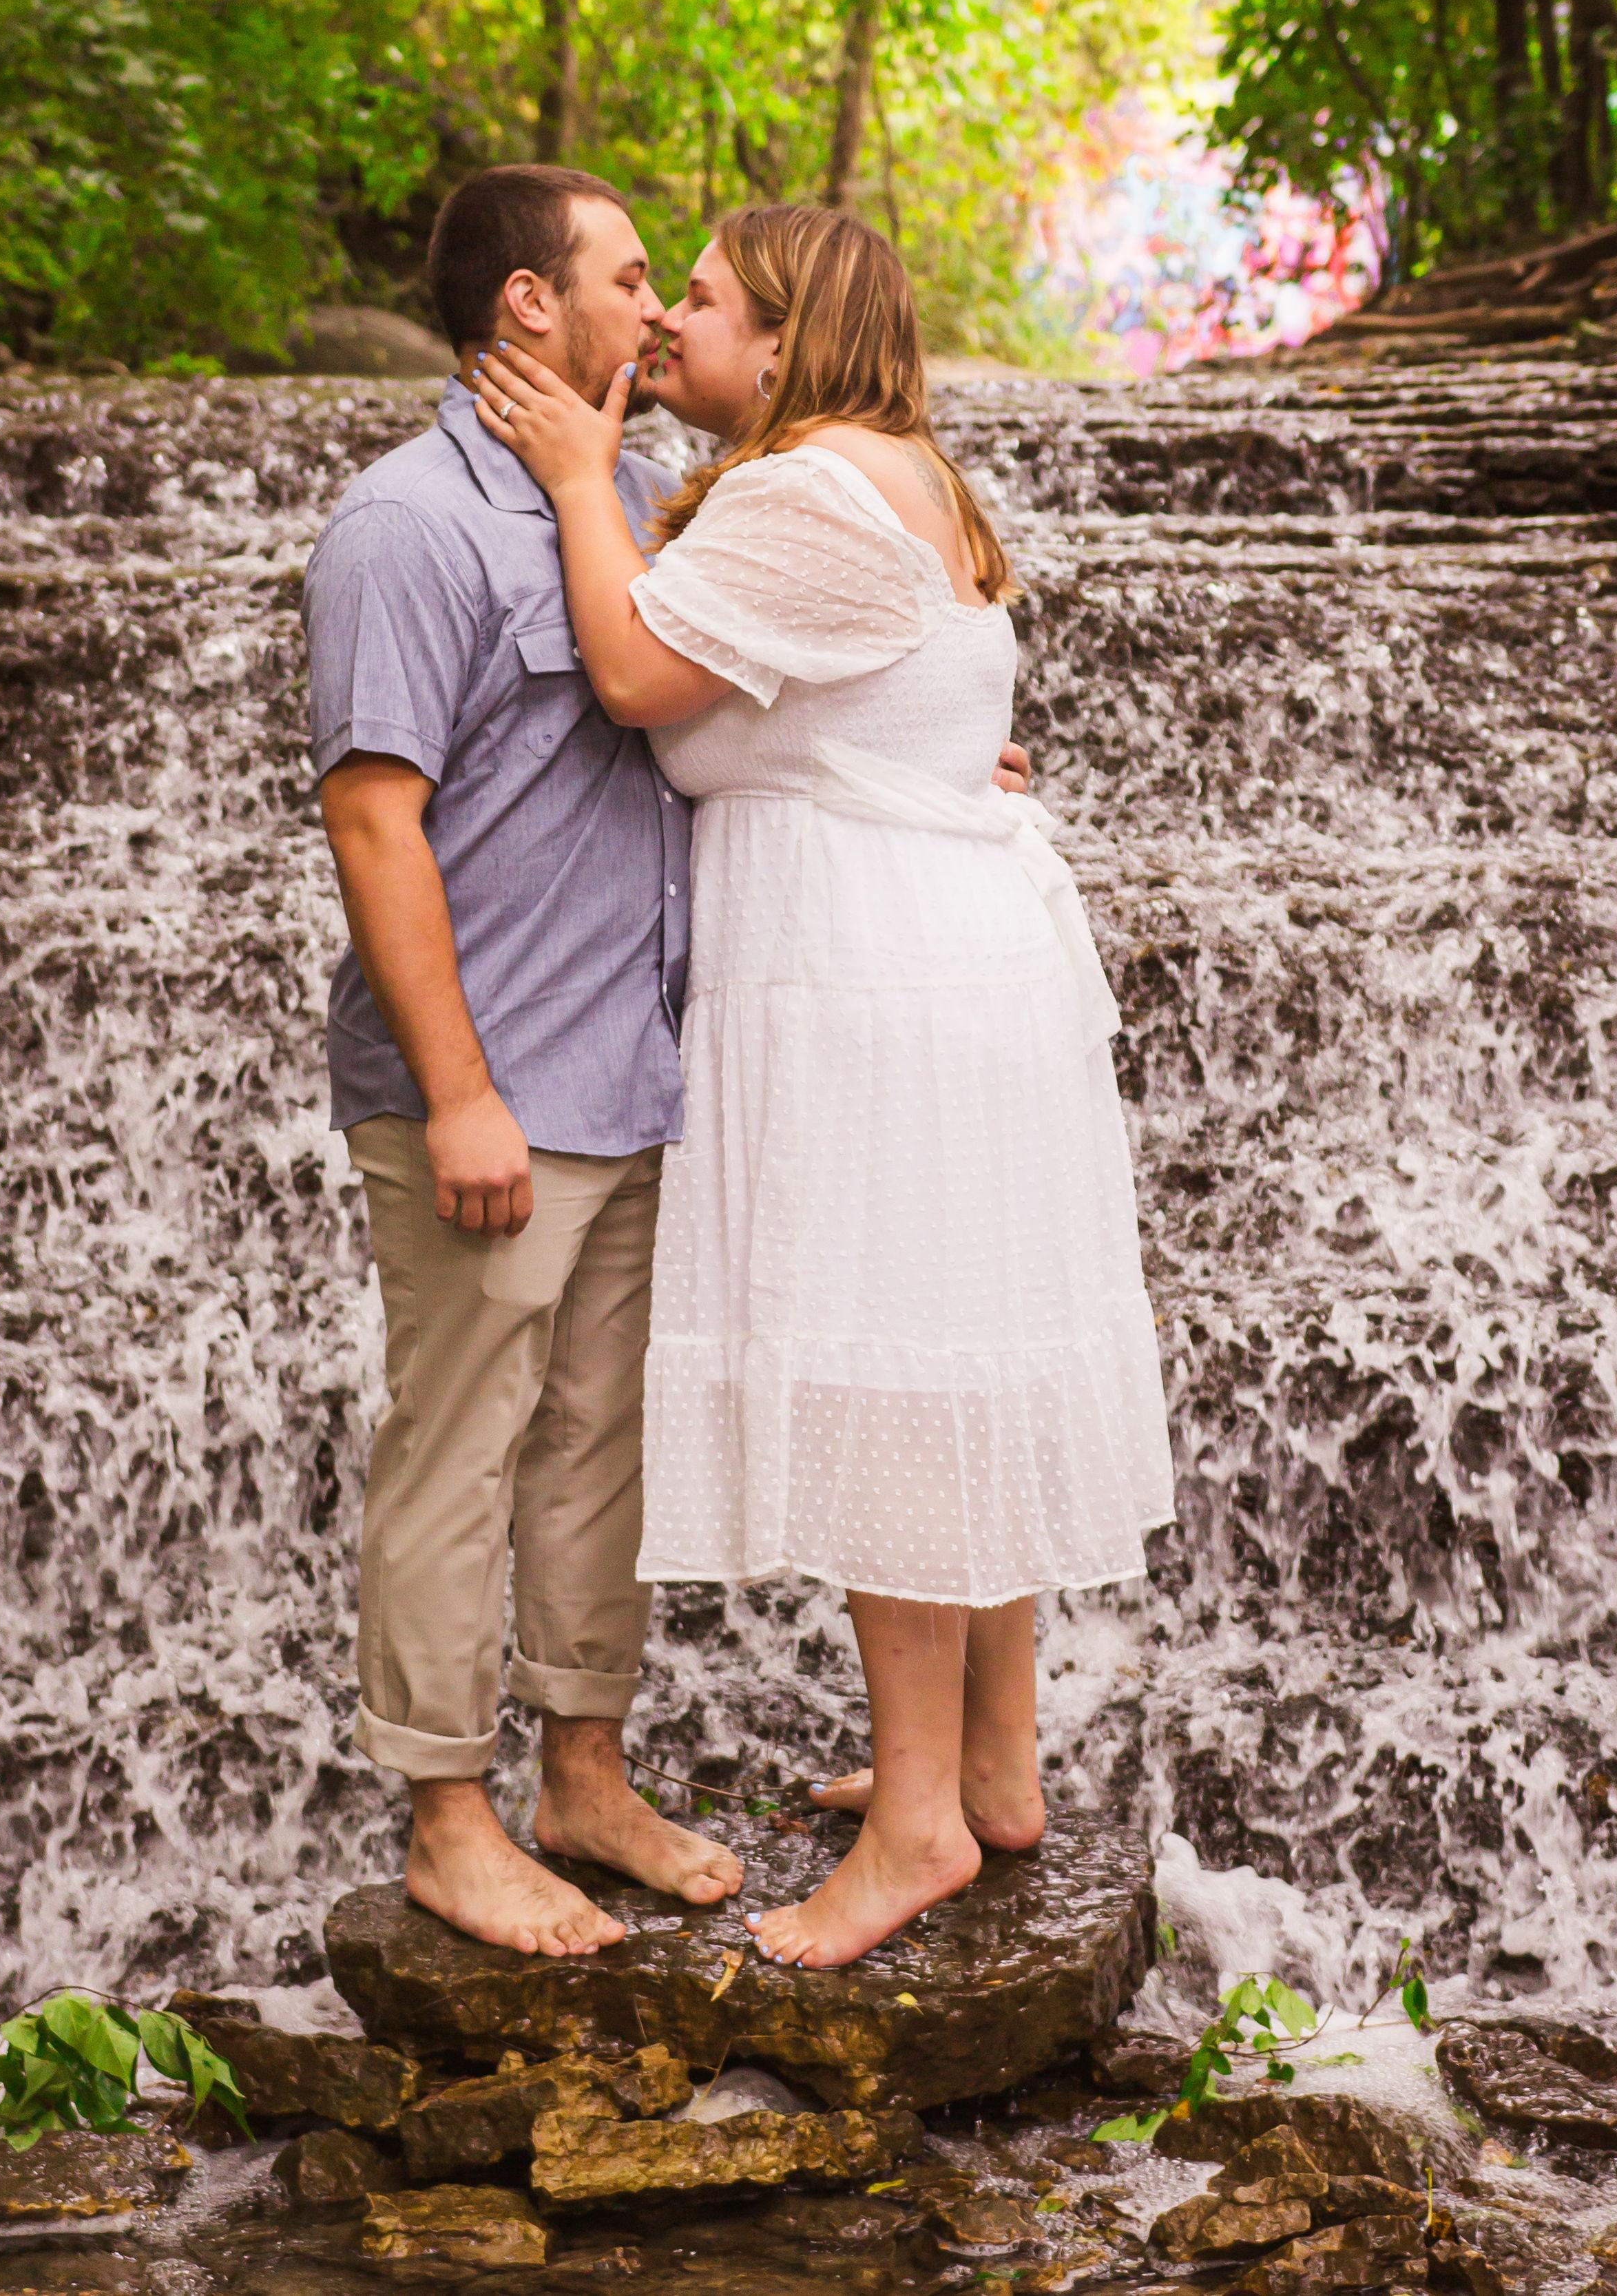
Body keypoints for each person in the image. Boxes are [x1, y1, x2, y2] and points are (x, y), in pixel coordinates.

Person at [302, 165, 1036, 1956]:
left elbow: (789, 677)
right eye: (634, 280)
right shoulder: (404, 528)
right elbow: (374, 823)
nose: (658, 310)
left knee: (593, 1454)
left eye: (677, 287)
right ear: (528, 312)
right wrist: (456, 1083)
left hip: (640, 1069)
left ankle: (582, 1770)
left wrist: (923, 765)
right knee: (456, 1449)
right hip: (483, 1079)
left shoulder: (638, 493)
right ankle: (445, 1815)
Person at [472, 202, 1177, 1967]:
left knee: (890, 1374)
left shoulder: (802, 490)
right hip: (946, 962)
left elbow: (636, 675)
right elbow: (905, 709)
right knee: (949, 1357)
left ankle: (923, 1831)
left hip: (874, 981)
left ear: (785, 342)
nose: (665, 327)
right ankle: (995, 1771)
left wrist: (574, 472)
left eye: (697, 302)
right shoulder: (906, 474)